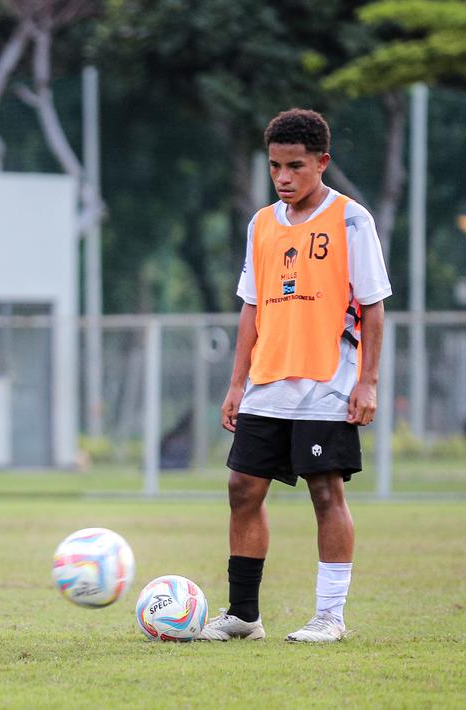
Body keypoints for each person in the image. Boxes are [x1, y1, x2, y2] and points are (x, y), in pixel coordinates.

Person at [198, 109, 391, 643]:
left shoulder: (353, 220)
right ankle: (243, 615)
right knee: (242, 488)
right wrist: (237, 384)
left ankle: (330, 616)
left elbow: (373, 307)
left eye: (295, 166)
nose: (283, 177)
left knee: (325, 492)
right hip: (267, 381)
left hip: (327, 383)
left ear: (322, 163)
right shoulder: (261, 223)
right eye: (275, 166)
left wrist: (367, 381)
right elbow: (251, 308)